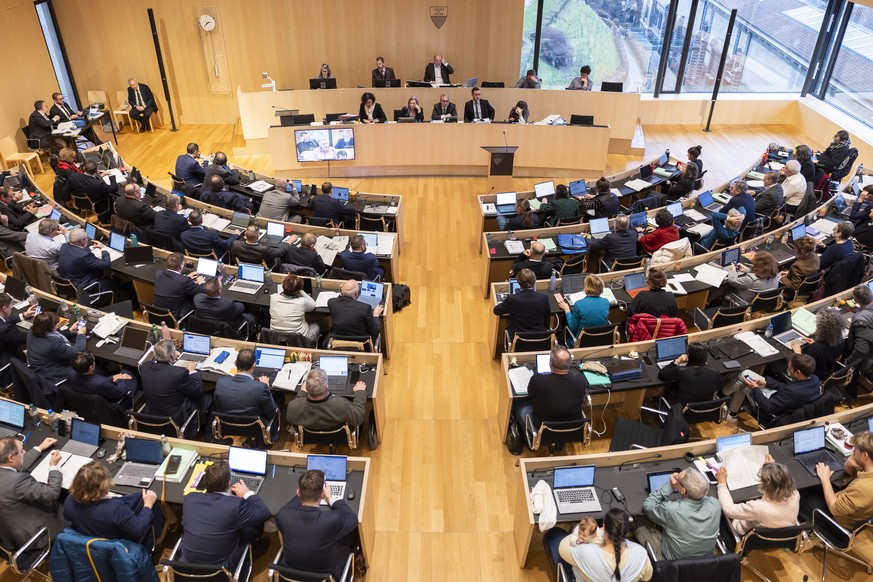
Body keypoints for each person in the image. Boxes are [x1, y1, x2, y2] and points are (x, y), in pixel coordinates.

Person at [180, 461, 271, 567]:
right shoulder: (235, 506)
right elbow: (264, 513)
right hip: (220, 568)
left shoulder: (190, 499)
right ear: (229, 484)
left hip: (186, 565)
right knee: (253, 525)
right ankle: (254, 549)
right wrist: (247, 493)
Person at [275, 469, 359, 580]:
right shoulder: (331, 520)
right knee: (349, 537)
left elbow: (288, 507)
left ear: (298, 493)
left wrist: (304, 492)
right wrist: (331, 499)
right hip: (326, 576)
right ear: (323, 494)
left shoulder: (283, 516)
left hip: (290, 576)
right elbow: (352, 519)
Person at [64, 461, 163, 545]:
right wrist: (148, 504)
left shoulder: (70, 500)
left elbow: (67, 517)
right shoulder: (115, 509)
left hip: (92, 540)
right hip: (119, 544)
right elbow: (138, 530)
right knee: (149, 503)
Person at [637, 467, 720, 560]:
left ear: (683, 490)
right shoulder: (715, 504)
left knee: (640, 527)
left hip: (673, 563)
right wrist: (693, 487)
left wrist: (670, 486)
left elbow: (648, 505)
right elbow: (702, 496)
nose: (675, 476)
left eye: (677, 478)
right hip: (705, 562)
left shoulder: (672, 510)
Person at [0, 436, 65, 551]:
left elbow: (13, 468)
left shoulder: (6, 470)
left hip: (7, 534)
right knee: (70, 502)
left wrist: (39, 448)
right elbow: (51, 493)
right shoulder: (17, 482)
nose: (24, 452)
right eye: (21, 451)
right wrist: (53, 467)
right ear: (10, 458)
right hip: (34, 536)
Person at [557, 508, 653, 582]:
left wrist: (585, 532)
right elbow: (647, 577)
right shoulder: (640, 553)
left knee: (556, 534)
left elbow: (563, 546)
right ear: (627, 532)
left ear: (604, 526)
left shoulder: (586, 552)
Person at [725, 353, 821, 423]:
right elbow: (787, 387)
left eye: (790, 368)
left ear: (798, 372)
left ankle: (724, 396)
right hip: (779, 397)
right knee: (745, 374)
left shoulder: (793, 392)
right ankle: (728, 405)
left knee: (744, 384)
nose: (788, 370)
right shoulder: (814, 379)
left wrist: (755, 388)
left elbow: (769, 407)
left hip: (773, 409)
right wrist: (766, 383)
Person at [717, 456, 799, 536]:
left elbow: (729, 510)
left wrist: (722, 483)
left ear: (766, 486)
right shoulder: (795, 495)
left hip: (745, 533)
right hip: (782, 536)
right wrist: (772, 469)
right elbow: (777, 486)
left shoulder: (757, 508)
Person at [140, 339, 209, 431]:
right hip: (175, 421)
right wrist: (192, 371)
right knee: (209, 396)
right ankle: (206, 432)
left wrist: (172, 356)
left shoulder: (145, 367)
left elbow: (153, 363)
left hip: (151, 416)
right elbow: (198, 391)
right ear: (172, 355)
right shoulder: (179, 373)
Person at [812, 431, 873, 529]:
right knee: (816, 488)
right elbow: (853, 472)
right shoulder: (868, 469)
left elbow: (833, 508)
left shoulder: (863, 487)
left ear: (865, 455)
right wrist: (852, 461)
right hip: (848, 503)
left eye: (855, 449)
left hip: (839, 523)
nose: (853, 451)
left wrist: (825, 478)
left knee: (803, 496)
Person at [214, 349, 279, 440]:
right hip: (255, 429)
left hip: (228, 427)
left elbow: (218, 407)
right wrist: (266, 387)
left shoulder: (221, 382)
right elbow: (271, 413)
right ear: (254, 365)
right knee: (279, 399)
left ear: (235, 363)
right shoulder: (261, 388)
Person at [286, 368, 367, 430]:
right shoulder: (341, 405)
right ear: (326, 388)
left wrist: (302, 393)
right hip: (339, 437)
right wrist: (359, 393)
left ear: (306, 387)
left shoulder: (292, 407)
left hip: (309, 438)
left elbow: (294, 416)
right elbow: (358, 418)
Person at [26, 311, 87, 390]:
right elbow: (78, 350)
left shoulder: (32, 331)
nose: (56, 326)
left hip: (38, 369)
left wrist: (70, 331)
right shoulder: (53, 345)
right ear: (51, 328)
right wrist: (81, 335)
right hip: (53, 375)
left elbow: (51, 336)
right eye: (55, 325)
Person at [493, 268, 550, 340]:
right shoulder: (544, 298)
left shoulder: (512, 299)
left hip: (517, 339)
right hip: (540, 338)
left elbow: (496, 311)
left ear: (518, 282)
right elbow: (547, 317)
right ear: (534, 281)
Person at [657, 343, 723, 404]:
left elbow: (662, 374)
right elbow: (719, 387)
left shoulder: (680, 371)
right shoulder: (714, 371)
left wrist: (677, 361)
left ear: (688, 357)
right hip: (706, 408)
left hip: (684, 409)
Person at [68, 351, 136, 409]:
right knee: (128, 368)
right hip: (118, 400)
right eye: (94, 361)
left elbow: (102, 381)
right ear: (91, 367)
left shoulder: (72, 374)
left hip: (92, 393)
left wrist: (112, 377)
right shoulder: (103, 383)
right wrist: (119, 378)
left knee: (101, 367)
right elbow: (121, 392)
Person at [789, 310, 845, 380]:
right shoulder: (841, 341)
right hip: (828, 373)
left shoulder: (814, 348)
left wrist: (797, 352)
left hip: (813, 377)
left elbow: (804, 368)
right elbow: (837, 358)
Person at [58, 227, 117, 293]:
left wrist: (92, 247)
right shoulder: (84, 255)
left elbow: (76, 251)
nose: (88, 240)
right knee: (115, 280)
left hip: (70, 282)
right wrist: (103, 249)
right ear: (82, 241)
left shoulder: (64, 246)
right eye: (87, 238)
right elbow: (106, 264)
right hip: (84, 286)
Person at [843, 285, 873, 401]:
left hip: (870, 361)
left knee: (851, 358)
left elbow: (861, 351)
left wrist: (849, 361)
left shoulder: (860, 319)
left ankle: (849, 395)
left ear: (855, 300)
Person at [270, 273, 320, 343]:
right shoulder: (301, 302)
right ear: (297, 291)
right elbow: (313, 305)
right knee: (316, 326)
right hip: (299, 340)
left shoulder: (273, 298)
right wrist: (302, 292)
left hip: (276, 338)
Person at [154, 252, 204, 319]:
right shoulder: (184, 281)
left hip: (157, 312)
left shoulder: (158, 273)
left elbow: (174, 281)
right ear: (181, 266)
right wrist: (201, 282)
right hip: (174, 315)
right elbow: (201, 290)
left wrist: (186, 277)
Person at [0, 293, 35, 384]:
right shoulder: (5, 330)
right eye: (10, 306)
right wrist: (38, 323)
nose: (11, 308)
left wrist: (24, 315)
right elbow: (28, 338)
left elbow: (4, 320)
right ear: (4, 308)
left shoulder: (2, 324)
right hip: (8, 366)